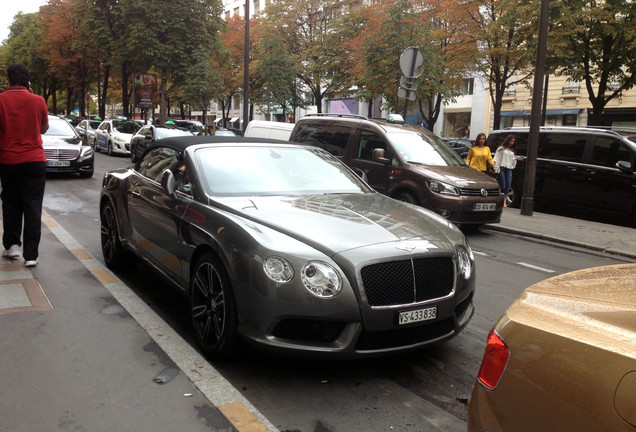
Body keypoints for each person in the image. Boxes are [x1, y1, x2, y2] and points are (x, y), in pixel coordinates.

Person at [0, 64, 49, 267]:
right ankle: (31, 255)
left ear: (9, 80)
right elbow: (44, 128)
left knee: (10, 202)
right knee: (32, 204)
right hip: (35, 160)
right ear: (28, 80)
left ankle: (12, 246)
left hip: (8, 160)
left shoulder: (1, 100)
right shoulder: (38, 100)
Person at [493, 134, 517, 207]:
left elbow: (513, 160)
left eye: (513, 142)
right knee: (502, 184)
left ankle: (504, 201)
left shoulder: (512, 150)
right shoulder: (501, 148)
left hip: (509, 168)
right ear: (508, 140)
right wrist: (495, 165)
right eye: (511, 141)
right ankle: (497, 196)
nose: (512, 143)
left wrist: (515, 160)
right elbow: (496, 157)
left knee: (508, 185)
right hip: (502, 167)